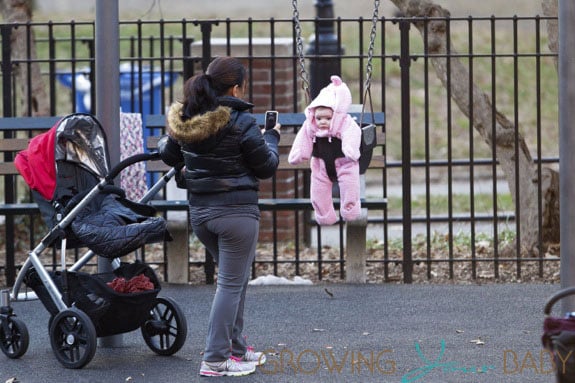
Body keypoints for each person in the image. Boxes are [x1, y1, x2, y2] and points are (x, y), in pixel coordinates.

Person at [158, 56, 281, 377]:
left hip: (201, 215)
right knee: (229, 285)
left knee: (235, 282)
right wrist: (273, 137)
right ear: (237, 87)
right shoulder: (241, 121)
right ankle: (214, 359)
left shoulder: (189, 118)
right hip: (237, 214)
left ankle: (236, 350)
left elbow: (168, 153)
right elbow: (266, 166)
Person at [288, 75, 362, 225]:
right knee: (318, 193)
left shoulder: (345, 122)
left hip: (345, 163)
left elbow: (353, 133)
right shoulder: (310, 125)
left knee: (350, 188)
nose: (323, 122)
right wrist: (299, 154)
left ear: (335, 117)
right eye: (319, 118)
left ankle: (350, 211)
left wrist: (349, 148)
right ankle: (324, 215)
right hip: (320, 166)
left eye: (328, 118)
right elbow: (303, 139)